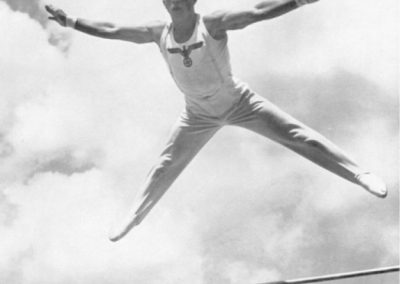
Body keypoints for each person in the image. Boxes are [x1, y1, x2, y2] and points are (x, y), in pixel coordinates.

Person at [45, 0, 388, 242]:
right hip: (197, 114)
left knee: (300, 136)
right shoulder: (156, 31)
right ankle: (133, 218)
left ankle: (359, 174)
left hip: (241, 103)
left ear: (193, 1)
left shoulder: (212, 24)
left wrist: (296, 1)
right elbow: (114, 29)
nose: (173, 3)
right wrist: (72, 22)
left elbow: (255, 12)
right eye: (168, 0)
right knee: (166, 164)